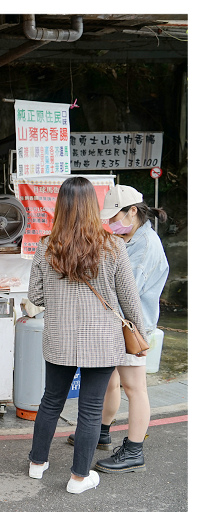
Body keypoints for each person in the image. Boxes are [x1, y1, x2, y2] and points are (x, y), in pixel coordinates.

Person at [26, 176, 146, 494]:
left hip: (59, 338)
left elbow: (35, 297)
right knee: (91, 409)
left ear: (60, 207)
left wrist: (60, 295)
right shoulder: (114, 246)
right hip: (104, 341)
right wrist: (141, 336)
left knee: (51, 401)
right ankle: (79, 478)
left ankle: (37, 464)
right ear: (93, 206)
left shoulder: (46, 245)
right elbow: (129, 299)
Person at [65, 185, 168, 474]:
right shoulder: (131, 238)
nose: (111, 224)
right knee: (109, 381)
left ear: (133, 211)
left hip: (131, 327)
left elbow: (126, 291)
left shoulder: (145, 245)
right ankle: (101, 432)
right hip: (116, 324)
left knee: (134, 388)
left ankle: (134, 451)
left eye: (115, 217)